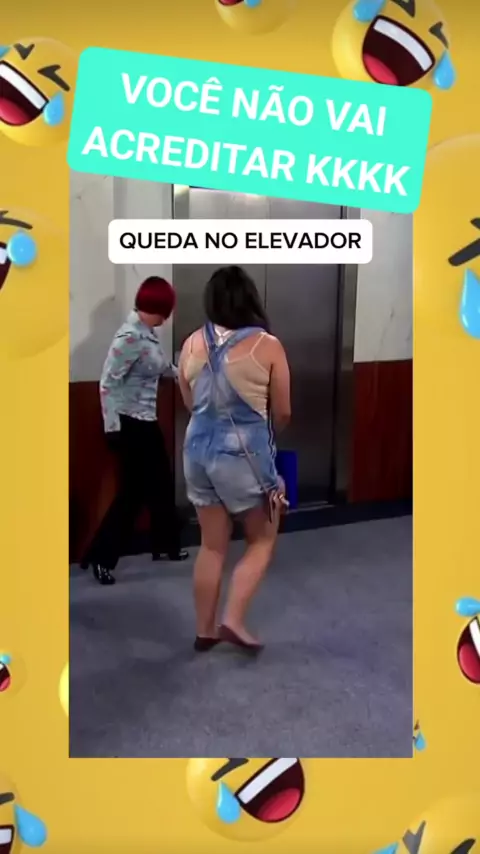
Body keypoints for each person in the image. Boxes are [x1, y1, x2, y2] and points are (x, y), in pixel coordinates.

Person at [178, 266, 291, 652]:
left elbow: (190, 403)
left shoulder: (191, 343)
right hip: (243, 457)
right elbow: (283, 411)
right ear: (250, 299)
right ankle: (234, 619)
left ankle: (204, 630)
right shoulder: (267, 345)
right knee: (262, 538)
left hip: (196, 453)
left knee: (211, 545)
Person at [83, 276, 188, 586]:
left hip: (146, 420)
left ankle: (166, 545)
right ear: (155, 307)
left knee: (161, 484)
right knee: (132, 494)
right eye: (165, 310)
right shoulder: (128, 337)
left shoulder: (147, 335)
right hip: (129, 424)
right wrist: (112, 427)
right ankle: (101, 557)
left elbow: (160, 367)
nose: (166, 318)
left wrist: (186, 372)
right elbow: (108, 383)